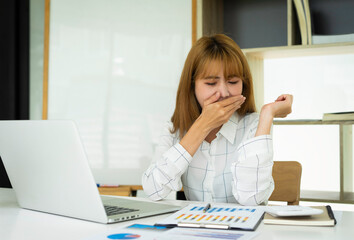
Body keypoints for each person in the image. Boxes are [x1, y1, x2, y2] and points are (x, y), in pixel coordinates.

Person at [142, 34, 293, 205]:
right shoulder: (174, 128)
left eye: (233, 81)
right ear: (193, 86)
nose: (224, 92)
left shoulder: (254, 125)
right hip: (193, 228)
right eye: (211, 83)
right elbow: (153, 190)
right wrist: (202, 126)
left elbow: (252, 199)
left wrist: (267, 114)